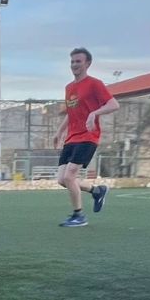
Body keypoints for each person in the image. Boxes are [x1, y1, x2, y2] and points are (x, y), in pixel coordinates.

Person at [52, 47, 120, 227]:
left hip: (88, 136)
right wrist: (59, 132)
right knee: (62, 180)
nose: (74, 65)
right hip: (71, 138)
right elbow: (71, 111)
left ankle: (79, 215)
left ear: (87, 63)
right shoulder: (69, 88)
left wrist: (94, 114)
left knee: (69, 176)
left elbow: (114, 104)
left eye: (78, 61)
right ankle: (97, 191)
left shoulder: (94, 84)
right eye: (72, 61)